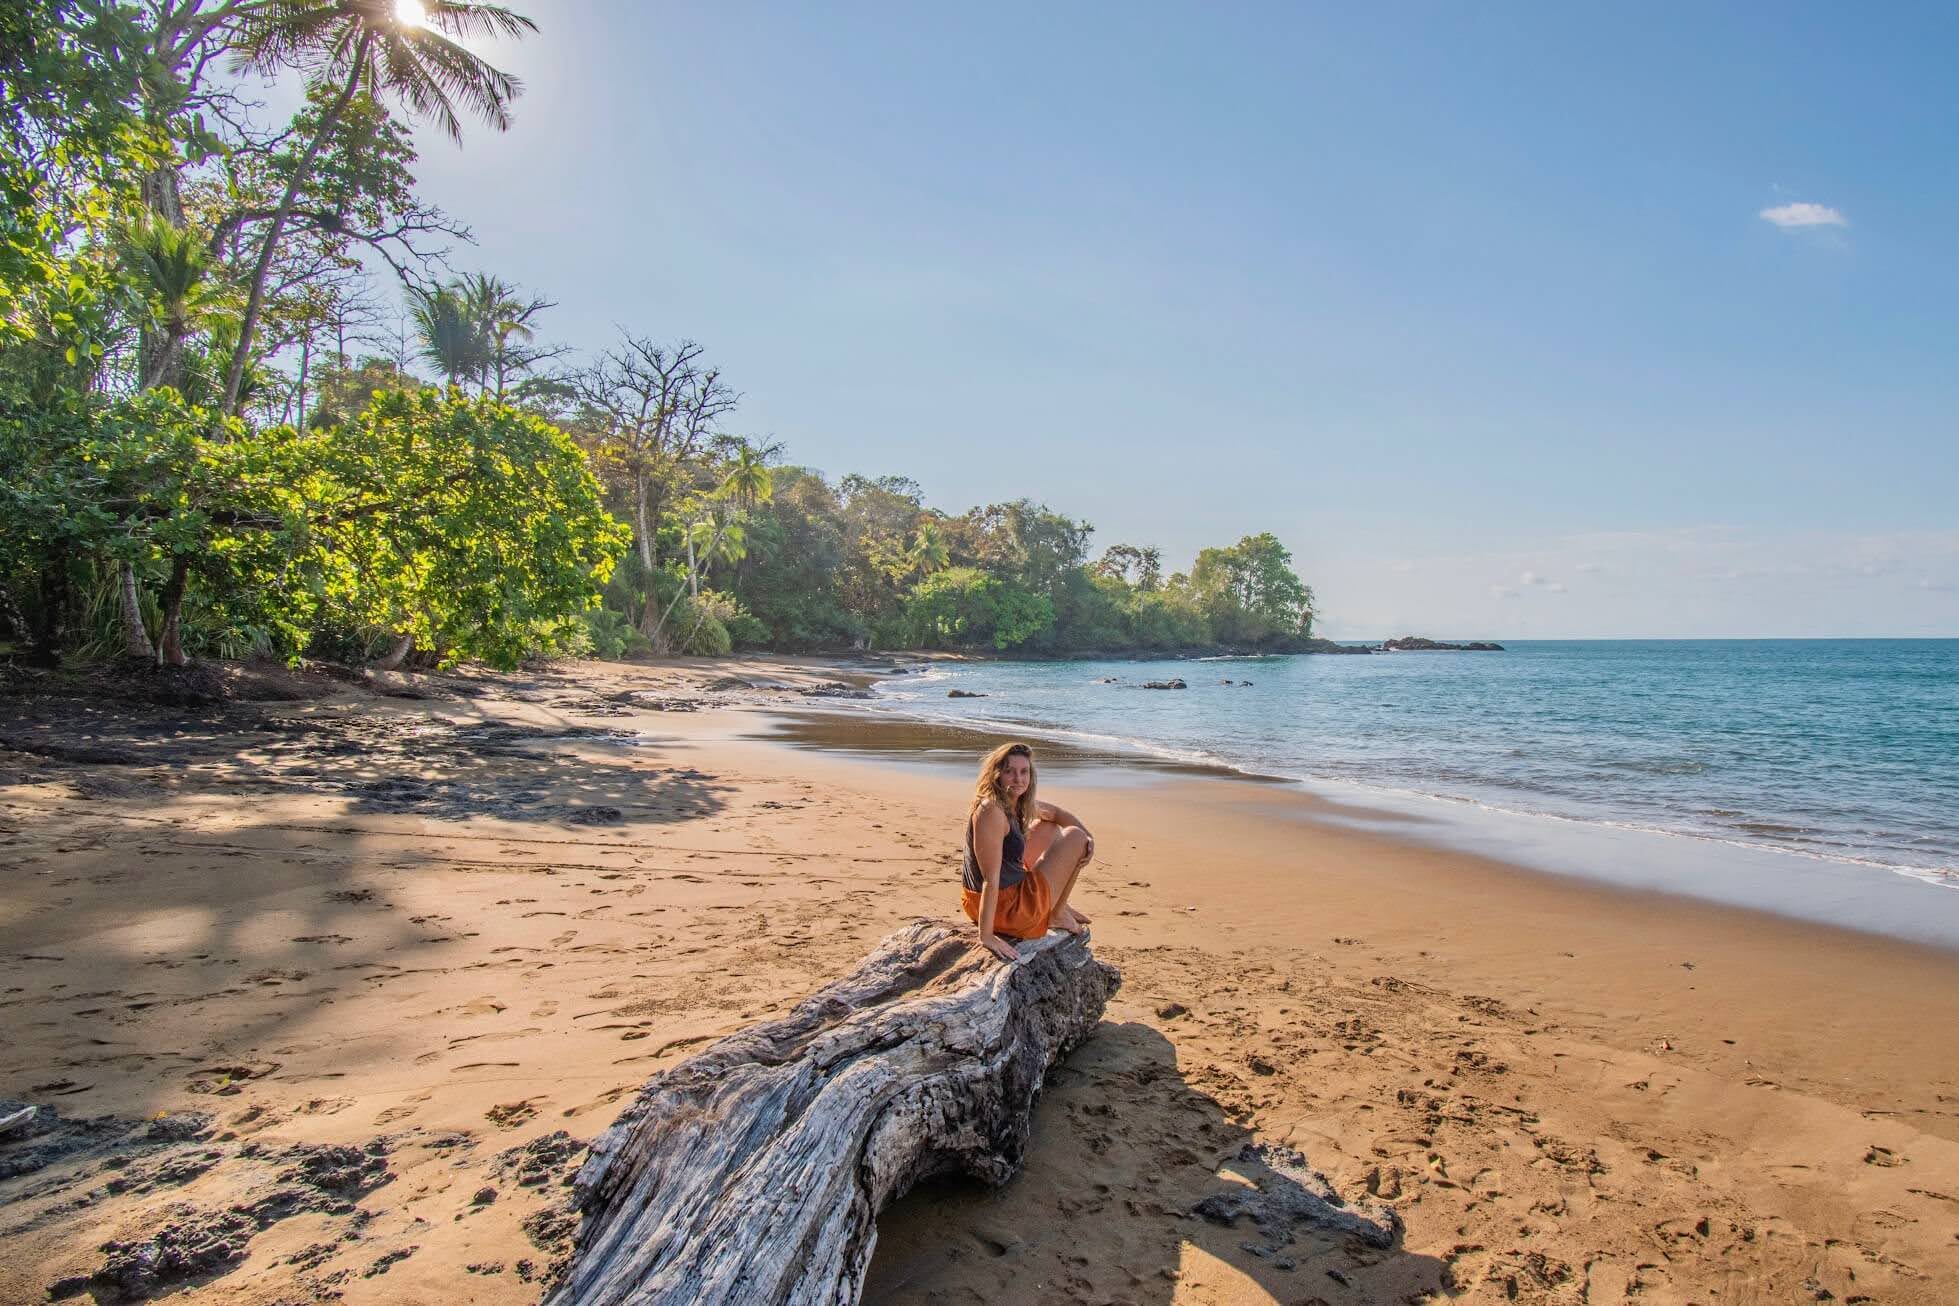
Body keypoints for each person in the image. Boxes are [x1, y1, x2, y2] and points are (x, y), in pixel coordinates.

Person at [961, 741, 1094, 962]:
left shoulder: (1015, 803)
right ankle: (1056, 912)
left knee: (1049, 828)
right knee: (1075, 837)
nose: (1018, 779)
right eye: (1009, 772)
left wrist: (1090, 838)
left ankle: (1059, 903)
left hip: (992, 901)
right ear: (996, 774)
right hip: (1007, 910)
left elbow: (1056, 813)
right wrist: (987, 937)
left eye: (1024, 772)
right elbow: (990, 879)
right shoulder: (990, 810)